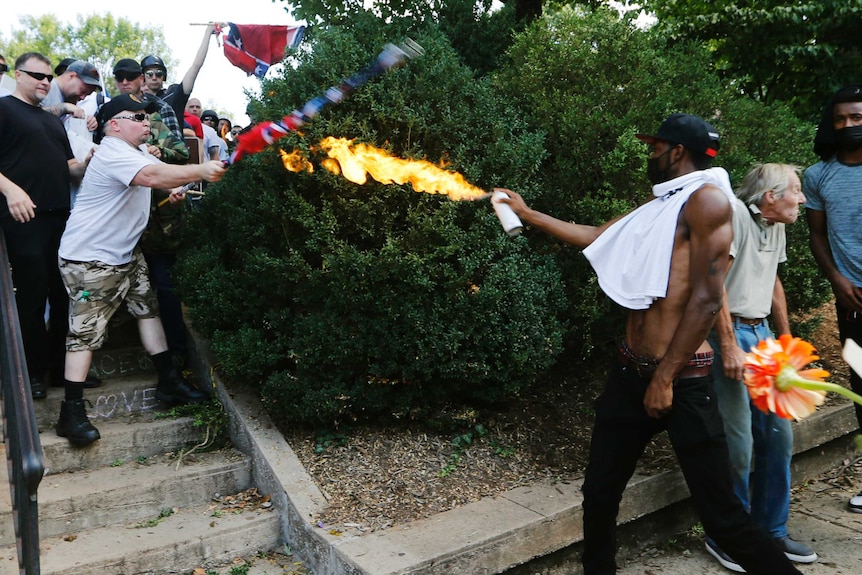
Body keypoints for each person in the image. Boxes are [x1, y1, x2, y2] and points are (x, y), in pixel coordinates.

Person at [496, 113, 802, 575]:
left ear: (676, 151)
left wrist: (664, 378)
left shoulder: (709, 203)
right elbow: (599, 237)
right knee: (599, 495)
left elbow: (705, 299)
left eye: (654, 148)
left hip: (682, 382)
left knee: (725, 519)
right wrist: (527, 214)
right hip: (628, 373)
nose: (650, 155)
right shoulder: (662, 204)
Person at [56, 93, 226, 445]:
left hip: (126, 256)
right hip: (91, 259)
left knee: (148, 312)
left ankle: (169, 380)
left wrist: (172, 190)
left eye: (147, 116)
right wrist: (199, 170)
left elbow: (147, 183)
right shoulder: (113, 151)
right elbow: (149, 176)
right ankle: (70, 413)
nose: (146, 121)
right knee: (85, 334)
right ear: (113, 124)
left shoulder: (133, 153)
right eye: (137, 116)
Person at [704, 164, 816, 571]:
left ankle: (771, 533)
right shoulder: (734, 214)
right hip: (729, 334)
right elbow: (714, 281)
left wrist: (786, 342)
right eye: (796, 192)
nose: (802, 199)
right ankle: (727, 536)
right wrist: (730, 344)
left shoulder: (777, 223)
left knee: (779, 436)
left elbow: (773, 281)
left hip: (763, 334)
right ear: (770, 197)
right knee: (739, 444)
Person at [0, 53, 89, 400]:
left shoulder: (52, 122)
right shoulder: (4, 109)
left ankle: (59, 372)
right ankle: (32, 374)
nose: (44, 81)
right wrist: (9, 189)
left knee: (64, 296)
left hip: (61, 219)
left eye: (49, 76)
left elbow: (69, 168)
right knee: (33, 297)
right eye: (36, 75)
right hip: (25, 219)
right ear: (18, 75)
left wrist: (87, 163)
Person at [804, 84, 862, 513]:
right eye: (841, 119)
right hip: (852, 303)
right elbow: (817, 235)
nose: (849, 126)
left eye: (857, 118)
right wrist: (836, 279)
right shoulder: (817, 175)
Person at [141, 23, 217, 121]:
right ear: (142, 77)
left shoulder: (174, 94)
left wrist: (208, 32)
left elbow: (196, 66)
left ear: (164, 76)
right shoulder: (136, 102)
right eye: (149, 74)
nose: (154, 77)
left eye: (159, 73)